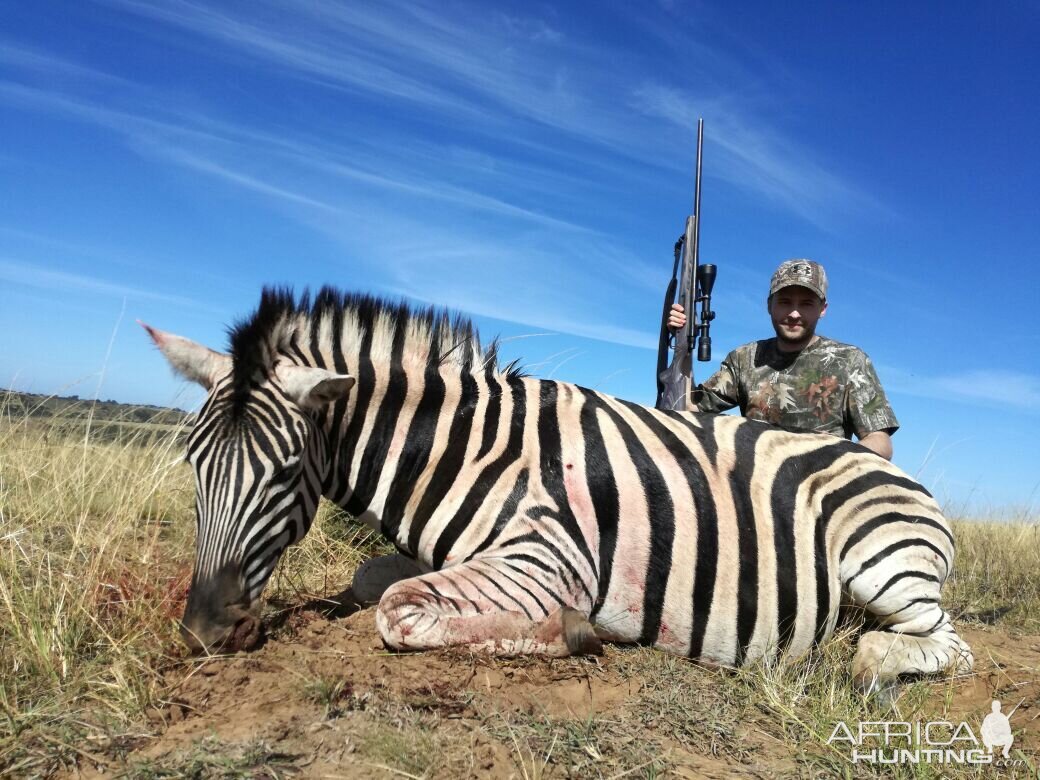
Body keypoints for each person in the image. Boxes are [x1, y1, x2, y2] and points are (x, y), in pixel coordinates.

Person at [668, 258, 899, 460]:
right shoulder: (744, 358)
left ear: (823, 309)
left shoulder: (850, 360)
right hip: (757, 490)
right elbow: (689, 406)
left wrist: (836, 464)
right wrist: (683, 344)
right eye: (785, 302)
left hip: (821, 487)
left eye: (806, 304)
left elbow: (879, 440)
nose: (794, 313)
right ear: (770, 305)